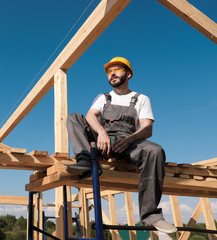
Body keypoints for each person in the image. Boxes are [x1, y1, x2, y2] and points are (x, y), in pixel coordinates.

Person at [66, 57, 177, 234]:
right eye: (109, 72)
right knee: (74, 118)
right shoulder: (104, 98)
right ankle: (85, 160)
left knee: (155, 151)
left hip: (128, 142)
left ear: (129, 74)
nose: (112, 74)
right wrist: (102, 133)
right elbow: (90, 116)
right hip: (102, 141)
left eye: (117, 69)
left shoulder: (140, 99)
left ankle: (151, 215)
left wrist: (129, 140)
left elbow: (147, 129)